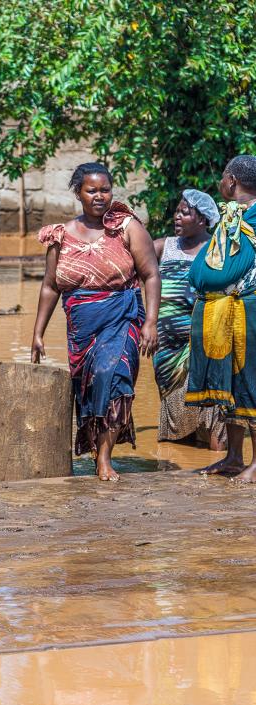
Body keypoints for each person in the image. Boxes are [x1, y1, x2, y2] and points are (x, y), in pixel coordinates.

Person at [31, 162, 160, 482]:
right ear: (79, 193)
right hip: (81, 327)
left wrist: (151, 322)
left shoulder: (126, 227)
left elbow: (151, 275)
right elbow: (50, 286)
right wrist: (37, 332)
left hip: (123, 317)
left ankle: (104, 459)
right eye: (92, 190)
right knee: (89, 390)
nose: (100, 196)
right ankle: (95, 450)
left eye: (105, 189)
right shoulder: (61, 235)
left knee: (114, 378)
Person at [186, 155, 256, 482]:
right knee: (230, 386)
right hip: (225, 312)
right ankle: (233, 457)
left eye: (223, 178)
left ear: (230, 181)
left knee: (251, 385)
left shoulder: (250, 217)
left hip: (250, 311)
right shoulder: (232, 217)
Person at [153, 189, 226, 450]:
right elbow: (140, 284)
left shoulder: (217, 248)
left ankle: (218, 456)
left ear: (203, 219)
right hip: (167, 346)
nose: (178, 216)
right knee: (174, 397)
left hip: (205, 338)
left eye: (185, 212)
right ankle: (178, 454)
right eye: (177, 211)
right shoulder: (163, 246)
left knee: (212, 395)